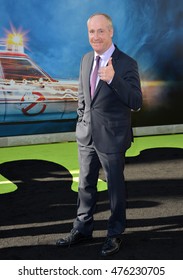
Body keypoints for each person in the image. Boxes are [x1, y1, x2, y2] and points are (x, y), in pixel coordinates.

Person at [56, 13, 142, 257]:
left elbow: (136, 101)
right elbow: (84, 98)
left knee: (115, 188)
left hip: (112, 138)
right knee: (85, 184)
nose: (95, 36)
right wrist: (81, 121)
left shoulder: (126, 63)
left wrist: (114, 79)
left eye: (101, 31)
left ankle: (115, 233)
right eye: (92, 32)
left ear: (111, 32)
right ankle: (82, 228)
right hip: (86, 136)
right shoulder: (85, 60)